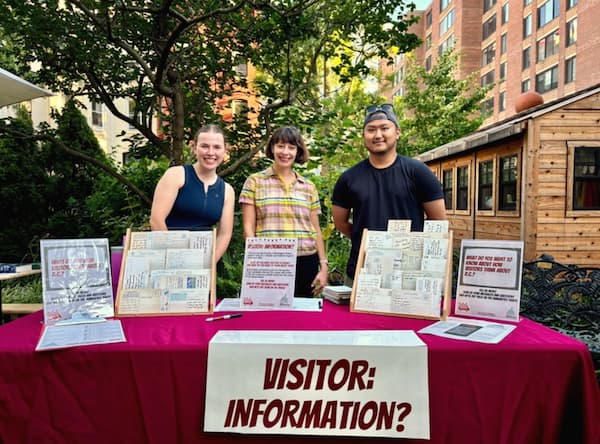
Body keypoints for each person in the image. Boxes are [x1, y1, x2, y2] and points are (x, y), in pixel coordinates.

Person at [332, 103, 446, 283]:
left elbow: (438, 222)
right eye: (371, 130)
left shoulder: (418, 172)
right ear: (363, 135)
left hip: (408, 274)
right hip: (361, 273)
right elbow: (340, 223)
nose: (378, 135)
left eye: (384, 128)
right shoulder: (348, 178)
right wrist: (368, 239)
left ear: (397, 132)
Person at [239, 126, 328, 297]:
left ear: (298, 151)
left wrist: (323, 266)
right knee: (270, 318)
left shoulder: (308, 186)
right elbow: (248, 228)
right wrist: (256, 261)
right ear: (272, 148)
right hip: (269, 261)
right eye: (280, 146)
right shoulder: (254, 182)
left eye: (291, 147)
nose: (285, 152)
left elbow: (315, 229)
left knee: (302, 320)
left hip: (306, 261)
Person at [150, 124, 235, 261]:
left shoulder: (227, 191)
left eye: (217, 147)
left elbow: (224, 234)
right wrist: (174, 258)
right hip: (165, 256)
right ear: (194, 147)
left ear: (225, 150)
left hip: (202, 261)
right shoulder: (176, 175)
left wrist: (209, 264)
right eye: (205, 146)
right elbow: (156, 220)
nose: (210, 152)